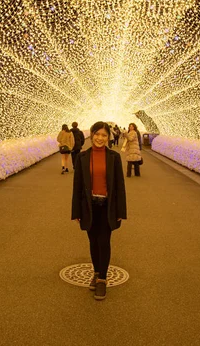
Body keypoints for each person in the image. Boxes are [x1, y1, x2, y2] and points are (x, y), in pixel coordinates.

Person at [72, 121, 127, 301]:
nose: (100, 138)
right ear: (92, 134)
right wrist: (77, 212)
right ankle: (96, 272)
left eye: (104, 135)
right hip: (89, 205)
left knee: (104, 241)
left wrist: (121, 211)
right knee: (93, 241)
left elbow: (119, 185)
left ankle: (102, 279)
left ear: (108, 137)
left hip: (107, 206)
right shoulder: (82, 157)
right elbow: (77, 187)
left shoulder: (114, 157)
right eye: (97, 134)